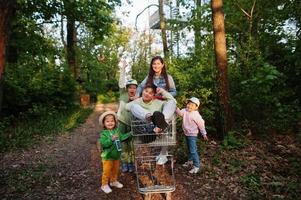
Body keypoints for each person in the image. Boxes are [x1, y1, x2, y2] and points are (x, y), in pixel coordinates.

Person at [126, 84, 176, 164]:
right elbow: (126, 107)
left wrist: (163, 92)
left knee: (171, 103)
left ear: (154, 95)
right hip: (145, 133)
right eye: (146, 91)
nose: (147, 94)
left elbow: (173, 102)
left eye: (150, 93)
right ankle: (150, 117)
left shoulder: (158, 102)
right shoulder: (137, 101)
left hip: (158, 130)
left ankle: (162, 123)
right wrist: (133, 99)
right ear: (142, 91)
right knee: (134, 106)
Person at [98, 111, 131, 194]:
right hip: (108, 156)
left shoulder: (117, 131)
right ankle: (104, 184)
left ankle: (113, 181)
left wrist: (129, 134)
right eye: (107, 121)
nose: (110, 123)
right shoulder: (104, 134)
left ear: (115, 122)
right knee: (107, 171)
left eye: (112, 121)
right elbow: (104, 144)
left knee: (115, 170)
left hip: (116, 155)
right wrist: (111, 139)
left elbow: (122, 137)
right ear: (104, 123)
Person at [176, 97, 208, 174]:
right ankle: (190, 161)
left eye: (192, 105)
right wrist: (175, 107)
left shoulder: (196, 115)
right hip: (186, 133)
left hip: (192, 135)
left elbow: (201, 125)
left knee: (193, 150)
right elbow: (180, 113)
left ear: (196, 107)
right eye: (189, 104)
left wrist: (204, 134)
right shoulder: (185, 111)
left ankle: (197, 166)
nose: (189, 106)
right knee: (189, 148)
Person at [117, 78, 138, 173]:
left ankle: (131, 163)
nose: (132, 89)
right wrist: (123, 68)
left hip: (131, 123)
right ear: (127, 88)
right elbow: (121, 82)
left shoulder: (138, 97)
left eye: (134, 88)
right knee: (123, 144)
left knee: (131, 145)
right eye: (130, 87)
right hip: (121, 122)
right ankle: (124, 163)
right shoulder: (123, 94)